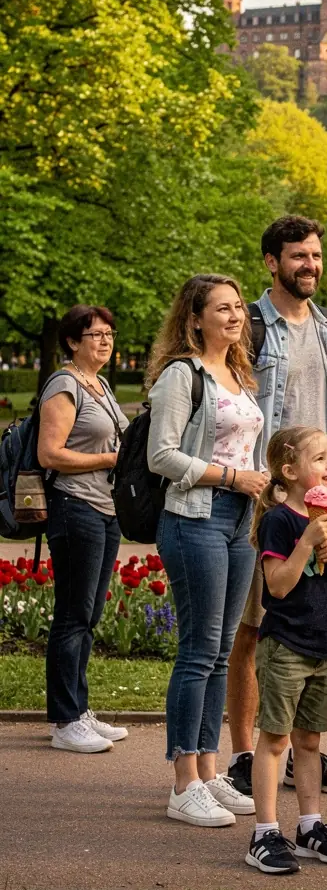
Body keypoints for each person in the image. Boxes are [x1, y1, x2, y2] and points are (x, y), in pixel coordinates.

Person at [227, 215, 327, 799]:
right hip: (263, 500)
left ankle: (298, 747)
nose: (309, 265)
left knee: (310, 624)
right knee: (251, 627)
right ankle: (244, 753)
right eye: (297, 256)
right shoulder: (251, 327)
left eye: (315, 255)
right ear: (271, 262)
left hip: (322, 502)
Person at [147, 274, 267, 827]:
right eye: (222, 308)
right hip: (195, 518)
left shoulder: (240, 374)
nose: (234, 315)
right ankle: (182, 781)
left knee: (221, 651)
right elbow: (162, 457)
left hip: (241, 520)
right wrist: (231, 477)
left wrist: (257, 482)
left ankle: (210, 770)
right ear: (195, 319)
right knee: (197, 652)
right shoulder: (182, 375)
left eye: (238, 306)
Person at [245, 426, 327, 875]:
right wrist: (306, 544)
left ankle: (309, 826)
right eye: (320, 459)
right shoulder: (278, 520)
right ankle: (264, 833)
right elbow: (278, 585)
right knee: (274, 740)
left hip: (322, 646)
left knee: (309, 742)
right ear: (288, 472)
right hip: (285, 646)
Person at [39, 305, 130, 754]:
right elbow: (50, 454)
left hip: (104, 508)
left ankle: (80, 708)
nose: (105, 341)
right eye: (96, 334)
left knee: (89, 614)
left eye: (109, 334)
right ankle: (64, 719)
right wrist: (109, 460)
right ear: (73, 341)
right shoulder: (64, 384)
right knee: (73, 614)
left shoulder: (102, 385)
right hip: (74, 507)